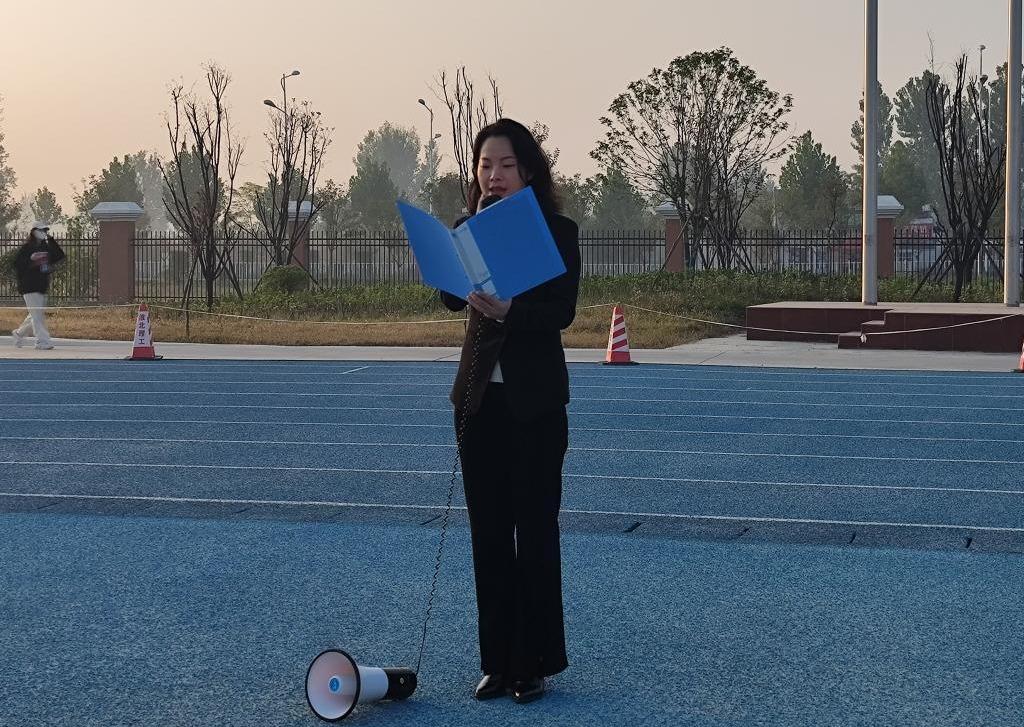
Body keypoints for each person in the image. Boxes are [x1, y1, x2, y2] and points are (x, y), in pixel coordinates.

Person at [439, 118, 581, 705]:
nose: (492, 176)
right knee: (489, 535)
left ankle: (534, 663)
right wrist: (462, 249)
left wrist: (510, 311)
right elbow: (449, 298)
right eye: (484, 166)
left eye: (504, 165)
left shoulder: (557, 231)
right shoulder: (468, 228)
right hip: (478, 403)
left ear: (527, 171)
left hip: (535, 404)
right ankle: (497, 662)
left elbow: (561, 312)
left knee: (535, 532)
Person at [10, 222, 65, 350]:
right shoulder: (27, 248)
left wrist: (51, 240)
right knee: (37, 316)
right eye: (42, 230)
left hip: (41, 286)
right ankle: (42, 341)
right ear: (34, 231)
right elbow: (18, 264)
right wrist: (31, 259)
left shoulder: (46, 247)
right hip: (29, 286)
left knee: (35, 314)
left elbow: (59, 256)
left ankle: (19, 334)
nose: (44, 232)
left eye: (46, 230)